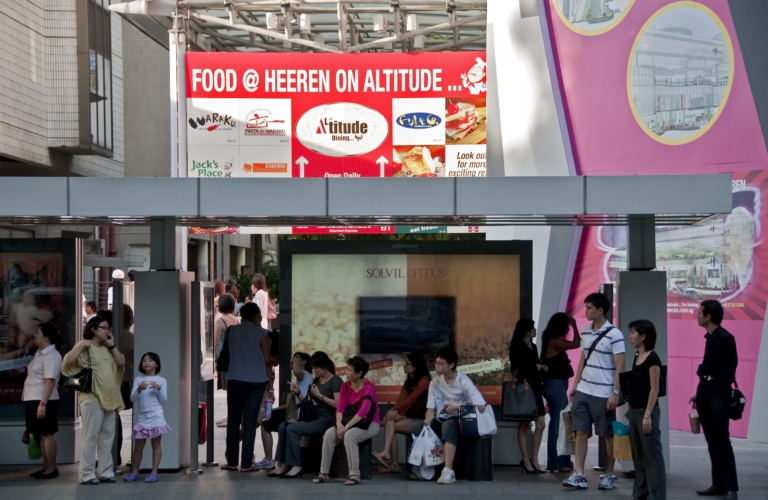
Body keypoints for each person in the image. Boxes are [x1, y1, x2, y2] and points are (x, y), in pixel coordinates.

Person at [563, 292, 625, 490]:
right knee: (580, 432)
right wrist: (575, 385)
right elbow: (583, 360)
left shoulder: (615, 334)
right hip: (584, 390)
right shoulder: (585, 331)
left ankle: (609, 474)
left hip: (604, 392)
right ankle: (579, 474)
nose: (586, 311)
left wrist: (615, 392)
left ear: (600, 310)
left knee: (607, 434)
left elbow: (620, 365)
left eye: (589, 308)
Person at [62, 315, 125, 485]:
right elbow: (69, 361)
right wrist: (82, 344)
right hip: (92, 396)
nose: (107, 331)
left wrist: (112, 345)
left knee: (107, 436)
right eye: (103, 328)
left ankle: (105, 471)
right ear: (93, 329)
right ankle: (86, 474)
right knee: (90, 436)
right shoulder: (85, 345)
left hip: (110, 397)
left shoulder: (108, 347)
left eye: (108, 328)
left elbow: (120, 362)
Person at [689, 300, 738, 499]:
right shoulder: (711, 338)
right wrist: (699, 393)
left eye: (700, 312)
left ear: (708, 317)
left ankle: (731, 488)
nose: (697, 315)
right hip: (707, 390)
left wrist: (701, 371)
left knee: (721, 440)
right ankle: (718, 485)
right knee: (711, 440)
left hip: (718, 392)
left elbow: (708, 366)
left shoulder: (724, 338)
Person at [220, 302, 273, 472]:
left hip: (234, 379)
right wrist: (271, 386)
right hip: (257, 381)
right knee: (250, 422)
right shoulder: (261, 333)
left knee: (233, 421)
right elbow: (267, 360)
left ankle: (231, 462)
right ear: (257, 316)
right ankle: (246, 464)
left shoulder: (231, 331)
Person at [271, 351, 341, 479]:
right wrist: (298, 393)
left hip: (326, 418)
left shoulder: (335, 381)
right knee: (283, 426)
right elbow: (307, 403)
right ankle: (283, 464)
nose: (315, 371)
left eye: (317, 368)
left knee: (292, 429)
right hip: (313, 415)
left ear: (325, 366)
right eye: (313, 368)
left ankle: (296, 465)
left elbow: (338, 404)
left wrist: (320, 395)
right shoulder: (316, 381)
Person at [425, 345, 487, 485]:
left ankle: (448, 470)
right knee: (429, 425)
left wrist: (456, 407)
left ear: (451, 365)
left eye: (441, 363)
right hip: (442, 418)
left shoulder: (463, 381)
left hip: (463, 421)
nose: (437, 366)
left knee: (449, 425)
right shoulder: (434, 382)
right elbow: (430, 409)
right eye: (436, 363)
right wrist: (427, 422)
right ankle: (427, 468)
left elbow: (481, 406)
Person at [314, 356, 380, 486]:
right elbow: (340, 407)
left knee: (350, 435)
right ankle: (324, 472)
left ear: (359, 373)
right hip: (349, 421)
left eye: (349, 370)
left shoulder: (368, 387)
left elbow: (363, 412)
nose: (346, 372)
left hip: (370, 423)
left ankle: (355, 474)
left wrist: (347, 426)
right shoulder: (345, 386)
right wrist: (339, 424)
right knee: (329, 434)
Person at [626, 320, 666, 500]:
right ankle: (640, 493)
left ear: (643, 336)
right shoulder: (637, 355)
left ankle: (657, 496)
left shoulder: (653, 359)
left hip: (646, 412)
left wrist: (647, 414)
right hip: (634, 411)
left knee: (653, 457)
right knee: (638, 455)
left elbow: (654, 389)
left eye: (632, 333)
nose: (630, 336)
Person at [372, 353, 431, 473]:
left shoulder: (424, 380)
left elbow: (411, 399)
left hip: (423, 419)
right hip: (410, 416)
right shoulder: (409, 381)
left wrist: (396, 410)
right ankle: (391, 459)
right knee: (389, 419)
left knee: (390, 426)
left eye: (407, 363)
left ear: (415, 366)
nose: (404, 366)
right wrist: (393, 411)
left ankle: (392, 461)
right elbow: (401, 399)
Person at [22, 322, 63, 479]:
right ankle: (45, 466)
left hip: (44, 400)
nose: (35, 335)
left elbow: (50, 381)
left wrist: (43, 403)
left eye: (38, 333)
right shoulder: (39, 353)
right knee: (40, 433)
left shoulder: (52, 355)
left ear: (46, 337)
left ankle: (52, 468)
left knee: (47, 433)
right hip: (33, 398)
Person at [258, 352, 311, 471]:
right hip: (295, 413)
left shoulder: (304, 375)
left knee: (269, 425)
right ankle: (278, 461)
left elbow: (297, 371)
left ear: (304, 362)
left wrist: (295, 362)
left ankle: (269, 460)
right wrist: (273, 410)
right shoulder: (300, 379)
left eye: (296, 358)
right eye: (292, 358)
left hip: (299, 416)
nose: (292, 360)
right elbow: (291, 404)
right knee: (270, 423)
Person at [540, 312, 580, 472]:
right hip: (555, 385)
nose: (567, 329)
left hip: (555, 385)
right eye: (566, 326)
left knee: (561, 422)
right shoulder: (554, 341)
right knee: (559, 423)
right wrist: (575, 326)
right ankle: (557, 462)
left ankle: (562, 461)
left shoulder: (550, 340)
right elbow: (576, 343)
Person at [508, 318, 547, 474]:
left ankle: (534, 459)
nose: (535, 330)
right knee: (524, 424)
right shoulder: (516, 346)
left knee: (541, 424)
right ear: (527, 330)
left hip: (535, 388)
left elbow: (533, 365)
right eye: (533, 328)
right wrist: (534, 367)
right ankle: (525, 459)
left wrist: (540, 367)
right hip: (524, 389)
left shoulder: (533, 346)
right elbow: (515, 370)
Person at [125, 352, 170, 483]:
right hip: (143, 417)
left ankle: (154, 472)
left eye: (150, 360)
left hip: (156, 416)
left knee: (156, 445)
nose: (146, 363)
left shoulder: (162, 380)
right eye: (144, 360)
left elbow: (164, 399)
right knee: (138, 446)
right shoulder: (138, 379)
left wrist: (158, 389)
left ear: (156, 364)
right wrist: (139, 389)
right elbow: (132, 399)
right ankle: (135, 471)